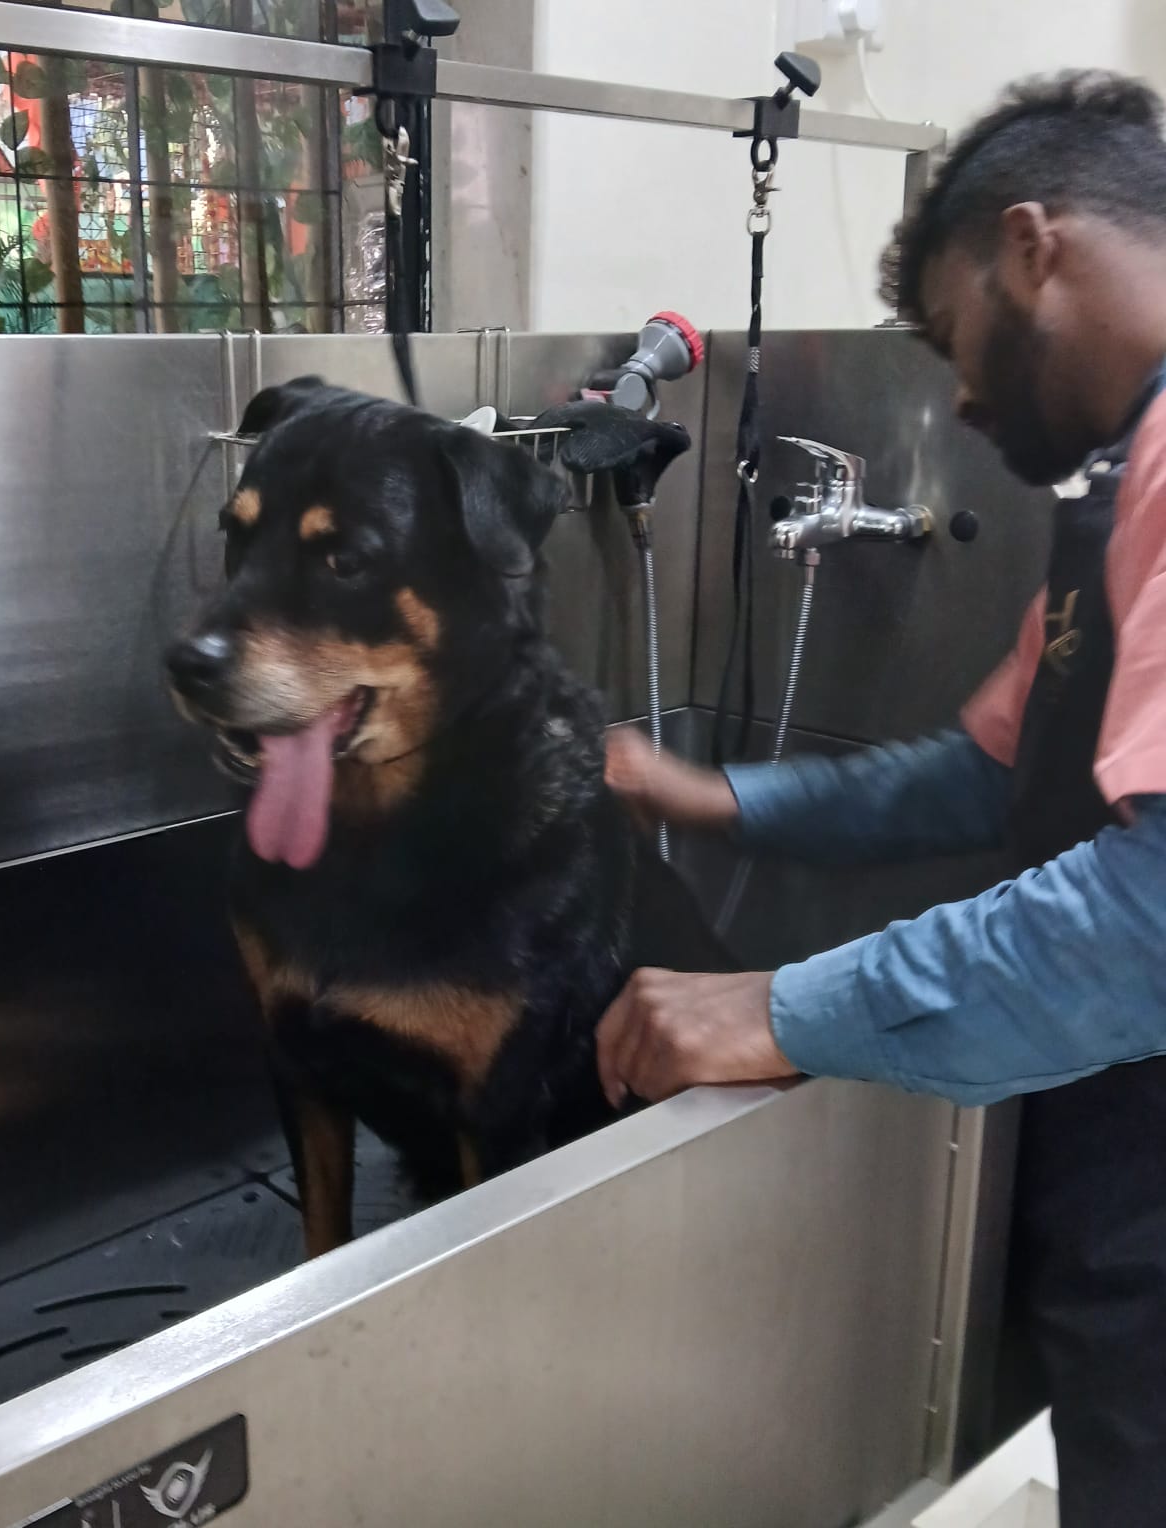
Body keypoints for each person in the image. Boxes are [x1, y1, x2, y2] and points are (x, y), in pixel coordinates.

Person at [595, 71, 1166, 1526]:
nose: (960, 399)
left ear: (1034, 249)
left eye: (956, 338)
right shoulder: (1122, 492)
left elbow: (1153, 919)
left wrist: (783, 1007)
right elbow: (990, 771)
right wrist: (713, 798)